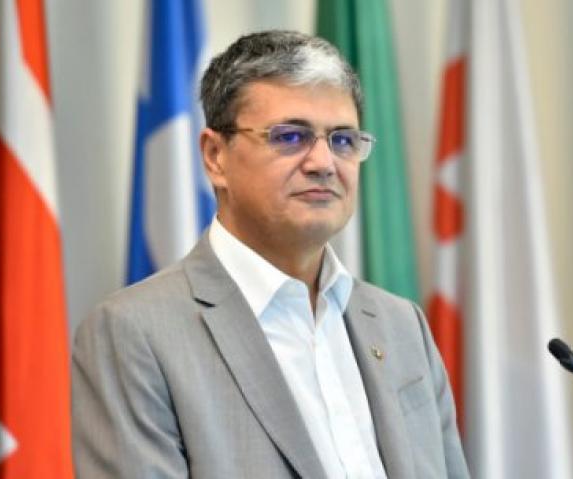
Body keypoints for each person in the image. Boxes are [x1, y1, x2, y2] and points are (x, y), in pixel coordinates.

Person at [71, 30, 468, 478]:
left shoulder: (402, 325)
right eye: (290, 137)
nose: (323, 163)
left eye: (342, 140)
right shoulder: (135, 334)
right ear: (215, 156)